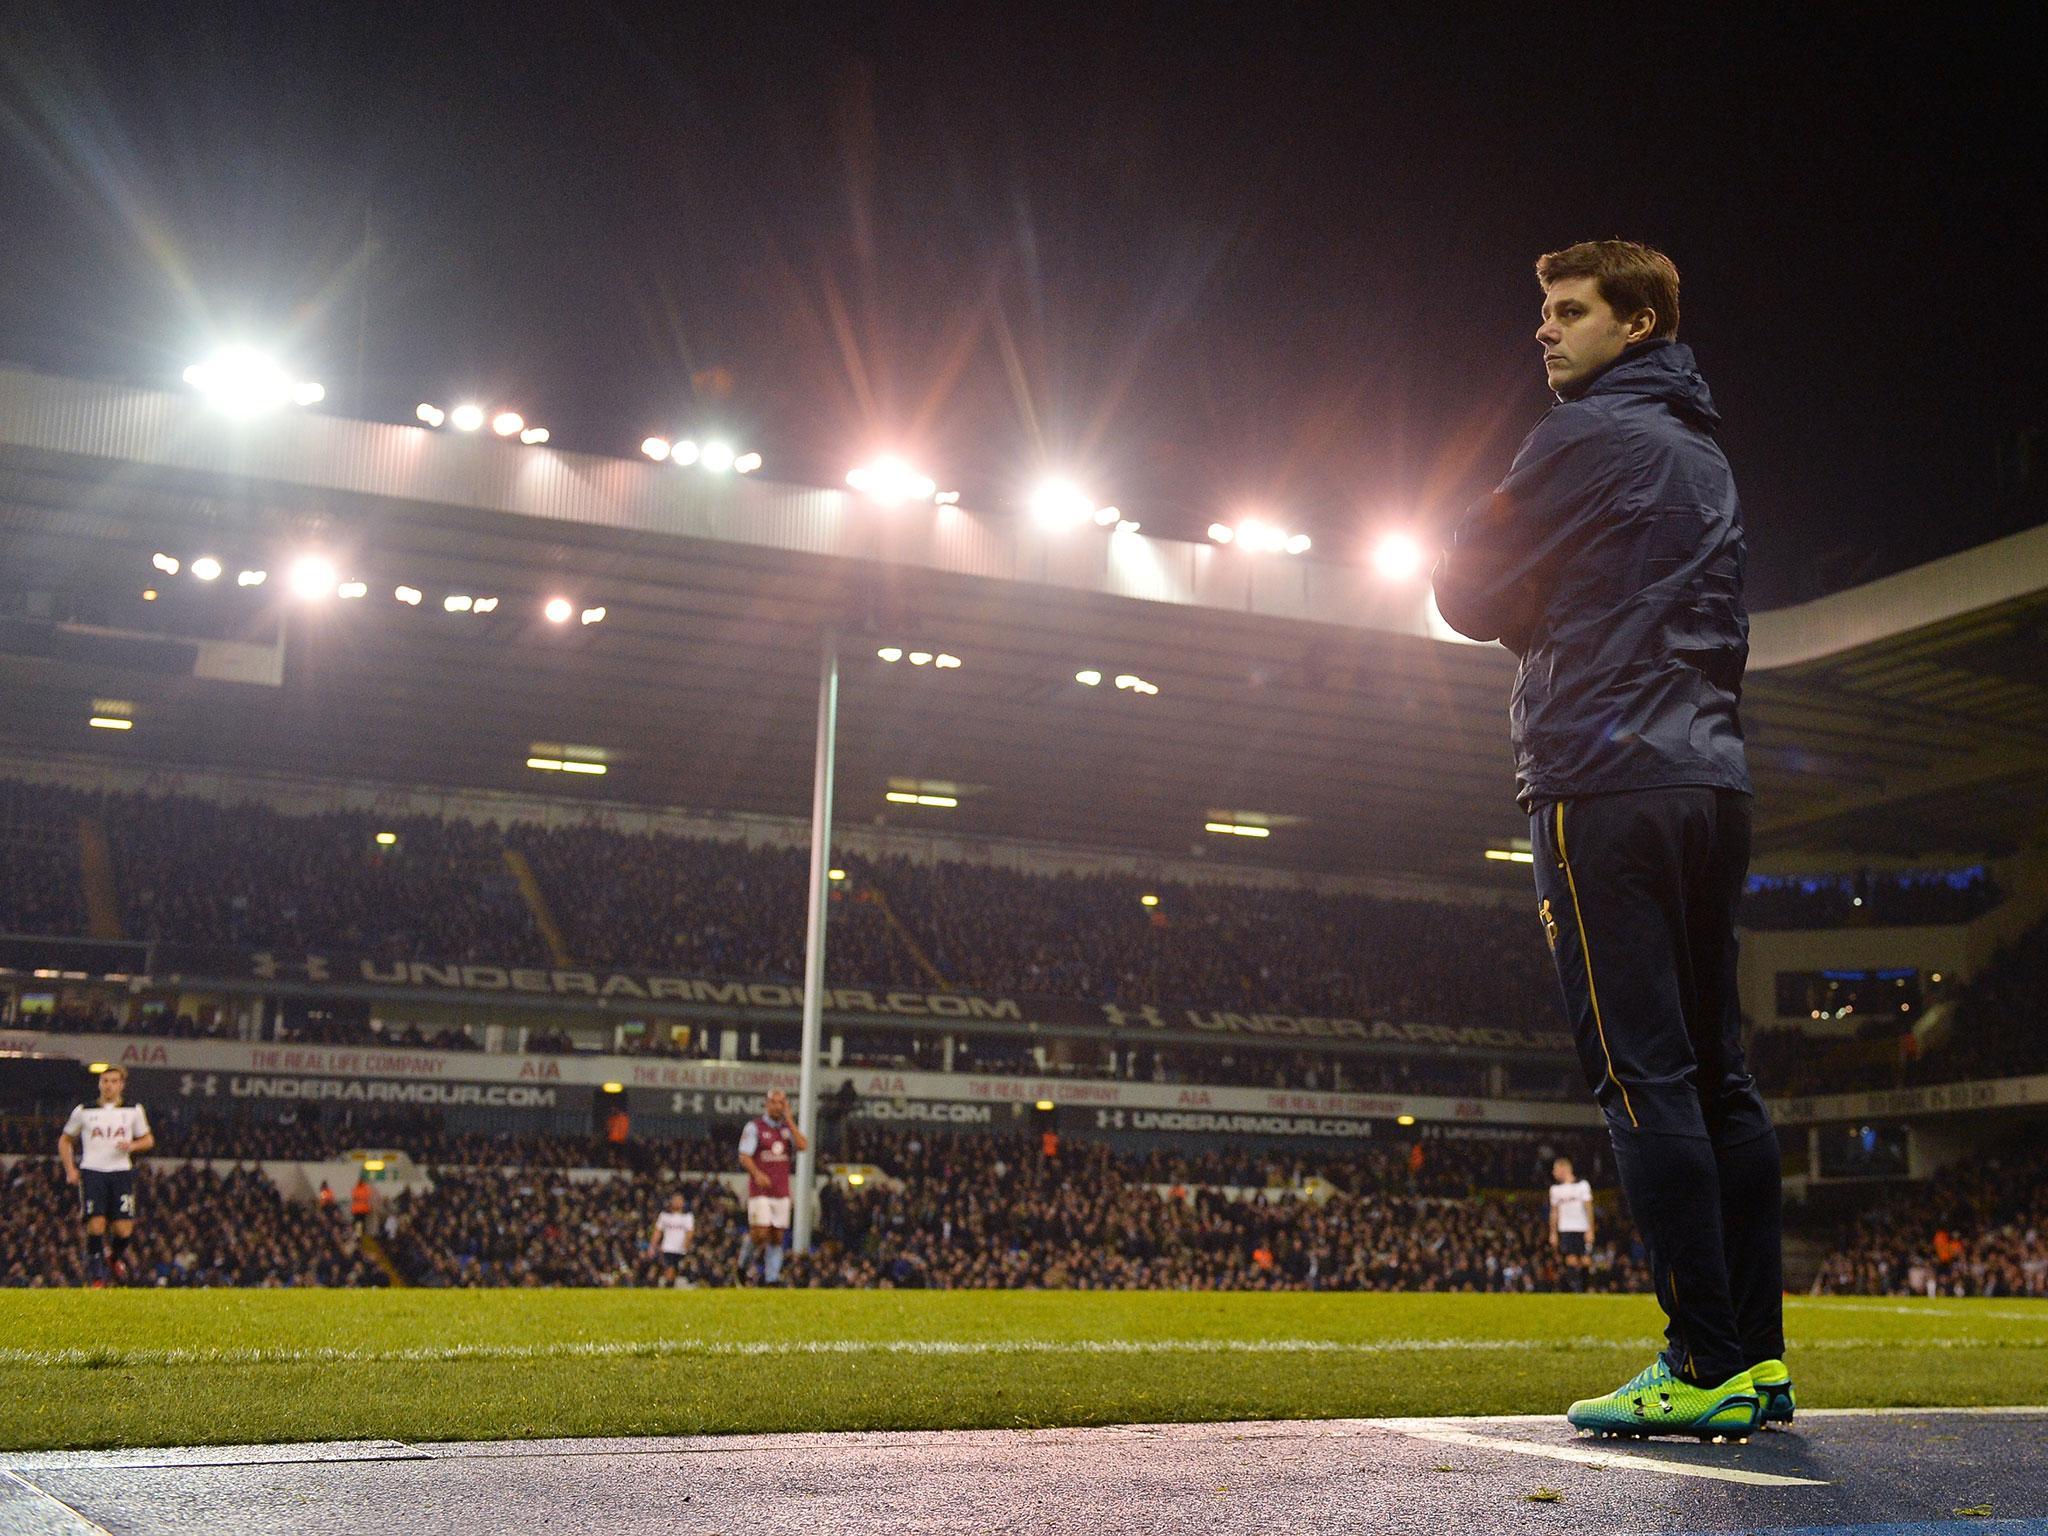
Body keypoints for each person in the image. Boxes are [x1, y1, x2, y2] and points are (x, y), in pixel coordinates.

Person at [1433, 240, 1790, 1439]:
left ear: (1634, 325)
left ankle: (1698, 1364)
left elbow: (1461, 585)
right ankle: (1754, 1357)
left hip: (1601, 774)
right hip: (1710, 781)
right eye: (1540, 308)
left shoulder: (1578, 438)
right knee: (1717, 1074)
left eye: (1568, 310)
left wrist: (1527, 604)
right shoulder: (1703, 455)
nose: (1543, 331)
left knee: (1642, 1077)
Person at [57, 1065, 154, 1285]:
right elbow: (65, 1139)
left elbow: (148, 1140)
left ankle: (114, 1258)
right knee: (96, 1225)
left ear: (121, 1085)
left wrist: (132, 1145)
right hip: (93, 1171)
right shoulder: (85, 1111)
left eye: (113, 1081)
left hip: (121, 1172)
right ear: (99, 1084)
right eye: (104, 1081)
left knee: (123, 1230)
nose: (108, 1085)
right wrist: (70, 1169)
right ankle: (97, 1277)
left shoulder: (133, 1110)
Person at [736, 1088, 806, 1285]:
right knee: (760, 1233)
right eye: (774, 1102)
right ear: (767, 1104)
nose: (778, 1106)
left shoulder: (786, 1128)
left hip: (781, 1190)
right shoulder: (755, 1127)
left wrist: (791, 1121)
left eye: (781, 1102)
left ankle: (772, 1279)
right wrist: (757, 1174)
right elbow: (744, 1155)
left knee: (777, 1236)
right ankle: (742, 1266)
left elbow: (803, 1146)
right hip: (760, 1191)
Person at [1548, 1157, 1595, 1292]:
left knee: (1586, 1260)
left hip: (1582, 1227)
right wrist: (1553, 1233)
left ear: (1564, 1169)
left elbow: (1589, 1209)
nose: (1553, 1173)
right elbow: (1554, 1212)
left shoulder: (1582, 1185)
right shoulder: (1555, 1189)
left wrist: (1590, 1229)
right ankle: (1577, 1290)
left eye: (1555, 1170)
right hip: (1566, 1229)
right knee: (1570, 1259)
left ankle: (1587, 1288)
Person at [648, 1191, 696, 1284]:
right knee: (669, 1269)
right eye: (675, 1200)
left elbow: (690, 1232)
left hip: (681, 1249)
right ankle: (667, 1286)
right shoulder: (664, 1215)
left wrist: (686, 1245)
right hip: (668, 1248)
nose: (677, 1202)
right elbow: (658, 1231)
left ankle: (672, 1286)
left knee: (677, 1271)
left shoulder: (687, 1216)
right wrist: (652, 1246)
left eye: (679, 1200)